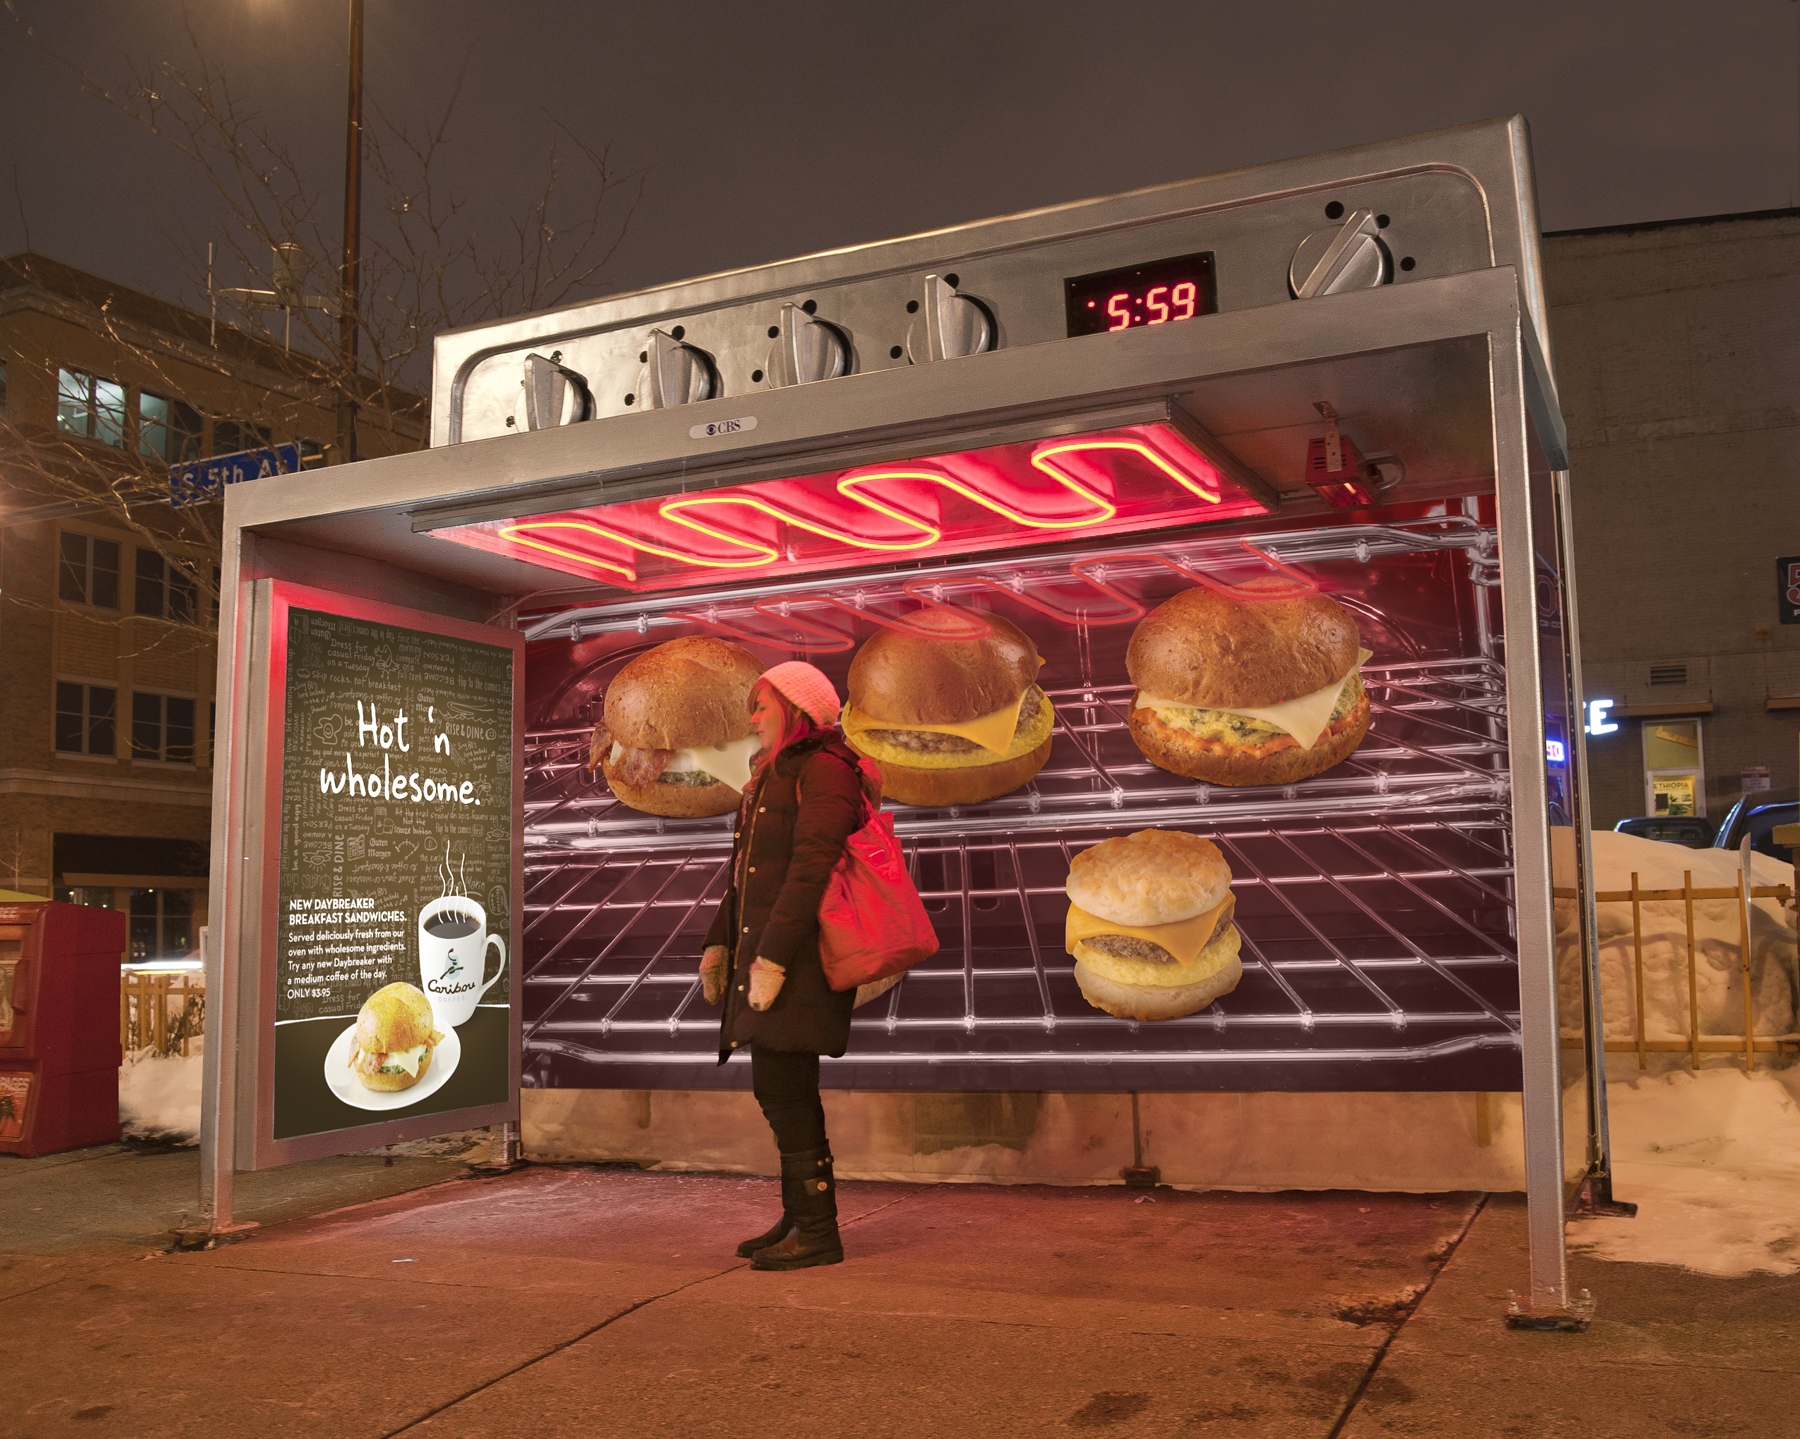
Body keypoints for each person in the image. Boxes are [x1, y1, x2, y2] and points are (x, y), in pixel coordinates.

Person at [699, 660, 873, 1270]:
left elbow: (811, 868)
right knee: (785, 1091)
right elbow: (744, 875)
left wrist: (771, 957)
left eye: (762, 705)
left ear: (796, 710)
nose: (752, 718)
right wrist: (720, 942)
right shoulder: (771, 774)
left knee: (783, 1092)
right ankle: (801, 1215)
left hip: (799, 960)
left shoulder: (827, 771)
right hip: (770, 956)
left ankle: (820, 1234)